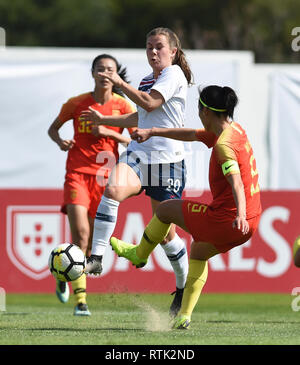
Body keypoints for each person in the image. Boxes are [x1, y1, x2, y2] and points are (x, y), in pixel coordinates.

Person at [110, 85, 262, 329]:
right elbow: (192, 134)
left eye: (199, 108)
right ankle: (184, 316)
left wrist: (239, 214)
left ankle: (139, 254)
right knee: (199, 251)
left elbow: (236, 181)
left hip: (230, 218)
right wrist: (153, 131)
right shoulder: (235, 131)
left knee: (165, 209)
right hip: (251, 221)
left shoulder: (223, 145)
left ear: (206, 111)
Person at [80, 27, 193, 316]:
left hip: (168, 162)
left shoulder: (174, 75)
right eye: (149, 47)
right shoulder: (146, 79)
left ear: (173, 52)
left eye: (159, 47)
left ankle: (182, 288)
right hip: (140, 154)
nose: (153, 52)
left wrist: (119, 83)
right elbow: (140, 114)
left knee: (167, 235)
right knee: (113, 189)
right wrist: (105, 118)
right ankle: (96, 257)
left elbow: (149, 102)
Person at [48, 54, 135, 316]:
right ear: (93, 73)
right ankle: (81, 302)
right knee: (82, 235)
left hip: (107, 179)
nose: (105, 73)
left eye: (110, 69)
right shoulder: (76, 103)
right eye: (100, 69)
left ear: (115, 74)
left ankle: (63, 273)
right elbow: (53, 129)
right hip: (77, 173)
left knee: (91, 242)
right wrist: (60, 142)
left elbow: (136, 139)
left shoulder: (123, 105)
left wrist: (108, 131)